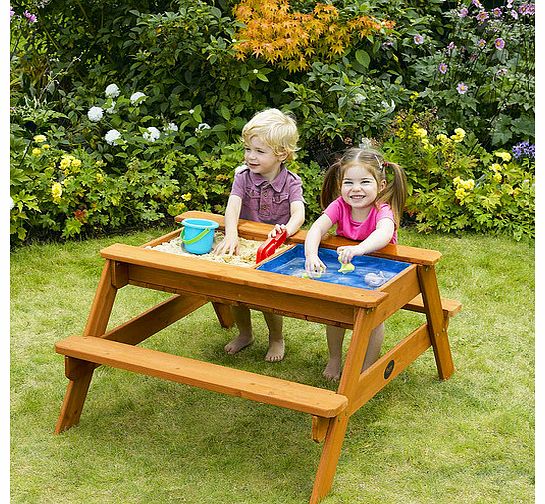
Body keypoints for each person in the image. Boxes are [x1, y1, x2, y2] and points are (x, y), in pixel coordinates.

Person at [304, 147, 407, 380]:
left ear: (381, 185)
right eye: (349, 182)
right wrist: (311, 254)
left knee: (373, 319)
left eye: (365, 182)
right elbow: (317, 228)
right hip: (347, 271)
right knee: (336, 313)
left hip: (378, 271)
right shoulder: (340, 205)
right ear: (340, 184)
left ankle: (365, 366)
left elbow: (384, 232)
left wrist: (359, 249)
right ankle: (334, 358)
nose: (356, 189)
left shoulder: (383, 209)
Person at [214, 108, 305, 362]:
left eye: (259, 151)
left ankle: (276, 338)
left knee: (267, 297)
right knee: (235, 292)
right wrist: (230, 234)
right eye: (247, 149)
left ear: (282, 154)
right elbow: (233, 205)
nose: (250, 157)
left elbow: (299, 213)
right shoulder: (243, 177)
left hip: (273, 246)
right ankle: (245, 333)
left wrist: (286, 230)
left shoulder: (291, 182)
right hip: (245, 242)